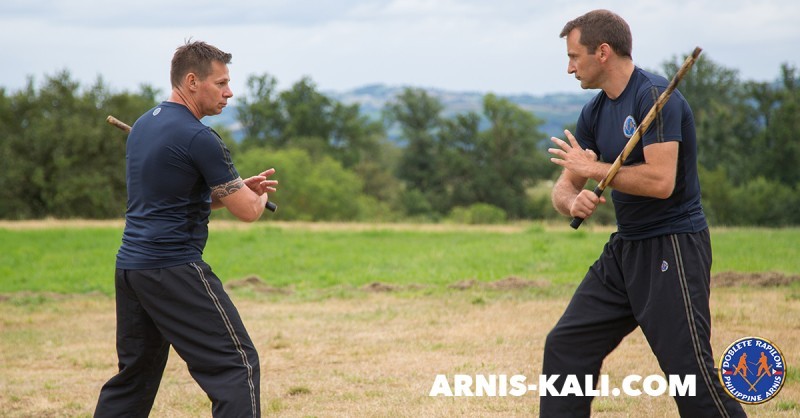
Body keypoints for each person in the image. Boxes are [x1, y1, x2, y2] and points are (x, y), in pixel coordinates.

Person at [542, 10, 746, 418]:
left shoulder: (654, 97)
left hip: (673, 243)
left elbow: (660, 181)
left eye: (574, 56)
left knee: (690, 379)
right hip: (626, 249)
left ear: (603, 52)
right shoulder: (595, 112)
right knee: (567, 345)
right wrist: (572, 201)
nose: (569, 67)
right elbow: (565, 187)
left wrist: (593, 171)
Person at [94, 40, 276, 418]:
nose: (229, 92)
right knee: (236, 365)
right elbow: (248, 213)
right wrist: (253, 197)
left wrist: (237, 191)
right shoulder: (200, 137)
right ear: (192, 81)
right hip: (172, 266)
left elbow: (174, 198)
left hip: (131, 269)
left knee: (135, 377)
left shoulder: (145, 124)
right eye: (221, 83)